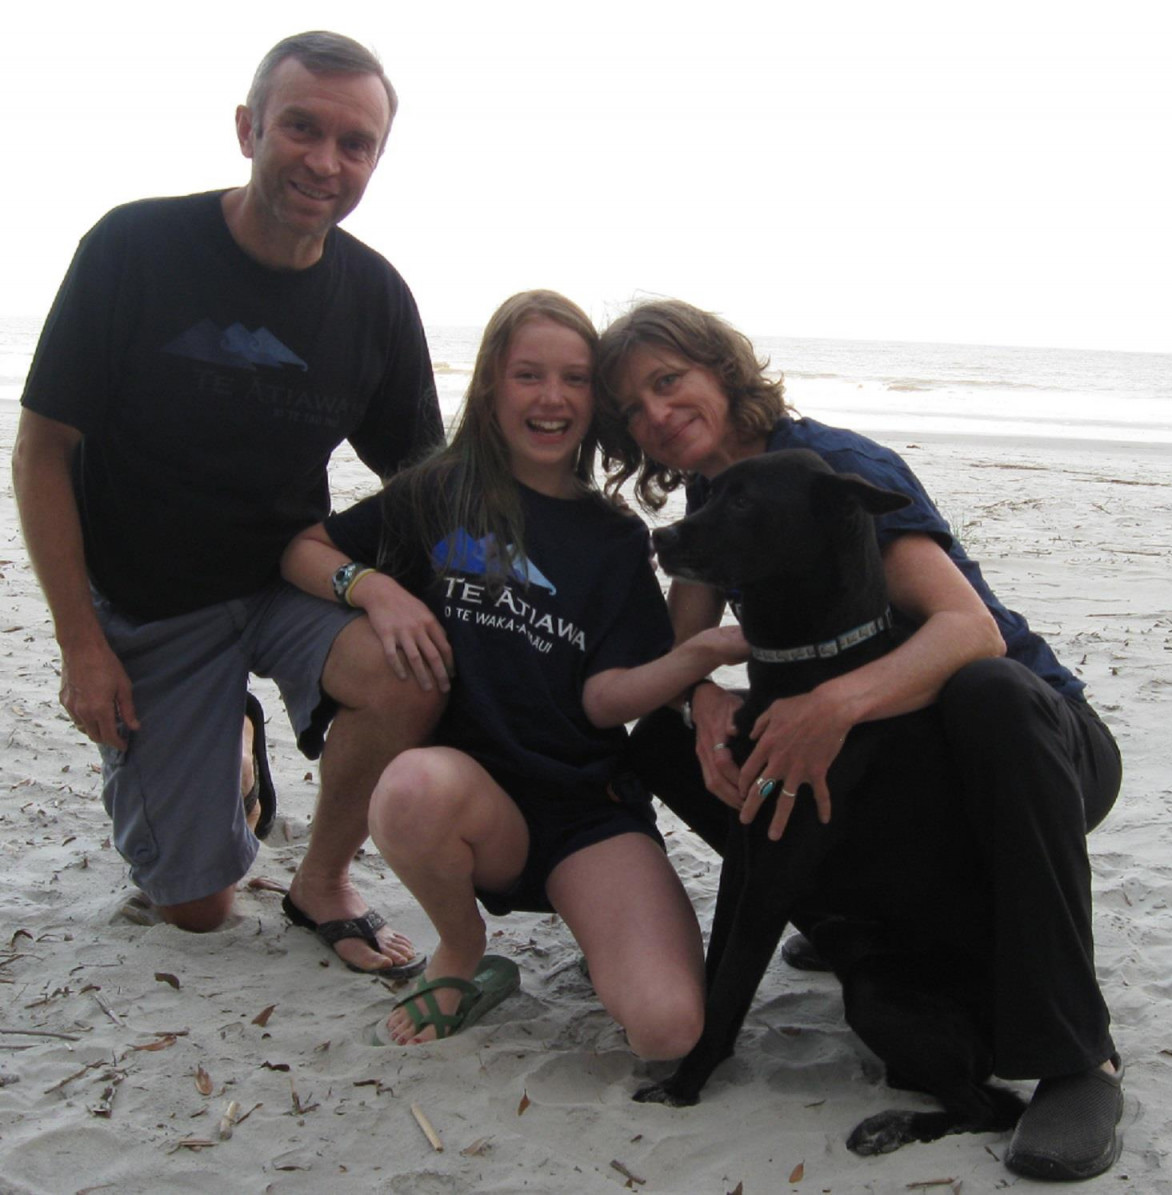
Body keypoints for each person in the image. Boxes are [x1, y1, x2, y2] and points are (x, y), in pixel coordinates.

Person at [593, 299, 1125, 1182]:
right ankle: (850, 918)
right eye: (632, 406)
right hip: (906, 768)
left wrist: (828, 704)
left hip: (1033, 748)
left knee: (987, 691)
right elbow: (686, 641)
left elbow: (969, 632)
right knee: (668, 742)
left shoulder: (835, 467)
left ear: (721, 369)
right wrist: (702, 699)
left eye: (668, 381)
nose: (655, 413)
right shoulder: (713, 492)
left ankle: (1078, 1058)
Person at [11, 31, 445, 980]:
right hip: (152, 600)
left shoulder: (374, 297)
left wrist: (382, 584)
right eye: (301, 127)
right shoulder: (135, 248)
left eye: (355, 142)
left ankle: (321, 881)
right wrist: (82, 645)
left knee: (411, 668)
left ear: (376, 158)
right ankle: (233, 755)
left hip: (288, 581)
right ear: (249, 127)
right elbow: (43, 452)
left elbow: (428, 482)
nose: (324, 161)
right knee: (196, 910)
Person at [281, 291, 747, 1052]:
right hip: (469, 803)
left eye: (574, 378)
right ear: (492, 385)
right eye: (528, 375)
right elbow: (303, 549)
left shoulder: (615, 538)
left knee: (668, 1031)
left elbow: (606, 701)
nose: (552, 397)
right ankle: (463, 952)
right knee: (410, 785)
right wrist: (378, 589)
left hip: (587, 811)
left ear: (596, 400)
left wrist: (695, 657)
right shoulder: (439, 491)